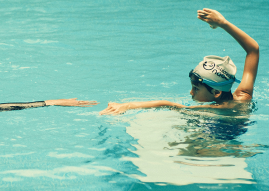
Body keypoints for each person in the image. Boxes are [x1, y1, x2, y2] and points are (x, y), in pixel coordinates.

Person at [100, 8, 259, 115]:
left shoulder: (210, 111)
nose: (191, 93)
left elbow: (168, 104)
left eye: (196, 89)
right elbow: (253, 50)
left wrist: (126, 106)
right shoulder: (244, 96)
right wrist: (223, 23)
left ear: (217, 92)